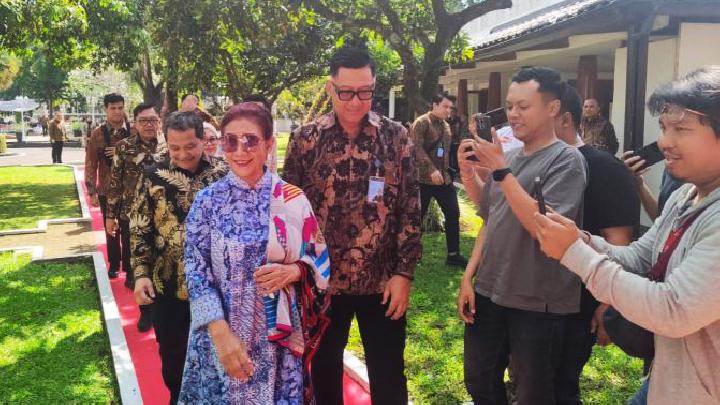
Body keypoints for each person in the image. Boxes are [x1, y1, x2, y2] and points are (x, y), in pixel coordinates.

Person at [534, 66, 720, 405]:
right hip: (669, 379)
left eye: (681, 129)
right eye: (664, 127)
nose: (664, 142)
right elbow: (639, 257)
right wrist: (582, 240)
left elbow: (672, 309)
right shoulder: (686, 195)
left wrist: (576, 254)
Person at [283, 46, 422, 404]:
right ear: (331, 88)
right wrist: (298, 273)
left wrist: (404, 273)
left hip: (382, 279)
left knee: (388, 373)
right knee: (323, 371)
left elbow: (409, 207)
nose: (356, 102)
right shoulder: (306, 140)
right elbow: (290, 213)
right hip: (323, 281)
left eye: (365, 91)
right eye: (346, 92)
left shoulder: (396, 138)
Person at [178, 103, 331, 403]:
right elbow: (196, 271)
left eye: (250, 140)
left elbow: (320, 259)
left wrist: (295, 271)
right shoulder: (207, 202)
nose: (240, 151)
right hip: (220, 339)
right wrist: (220, 333)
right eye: (230, 141)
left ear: (269, 144)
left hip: (276, 341)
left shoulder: (292, 200)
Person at [456, 67, 587, 405]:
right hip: (491, 290)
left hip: (537, 300)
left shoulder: (567, 160)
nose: (513, 114)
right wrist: (469, 174)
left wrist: (501, 170)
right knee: (479, 379)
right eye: (510, 106)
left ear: (553, 108)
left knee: (533, 393)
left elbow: (544, 228)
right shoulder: (510, 158)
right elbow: (491, 214)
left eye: (523, 106)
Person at [131, 111, 227, 404]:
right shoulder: (152, 176)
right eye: (175, 147)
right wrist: (141, 274)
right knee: (174, 360)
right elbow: (140, 227)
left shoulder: (223, 174)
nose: (183, 154)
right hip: (169, 284)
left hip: (217, 288)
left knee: (219, 361)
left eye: (190, 146)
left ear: (203, 140)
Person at [553, 85, 640, 404]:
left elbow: (620, 243)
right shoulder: (533, 163)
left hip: (579, 302)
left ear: (563, 118)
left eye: (528, 109)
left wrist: (606, 304)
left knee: (561, 385)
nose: (516, 120)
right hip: (532, 299)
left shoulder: (605, 168)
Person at [106, 103, 164, 332]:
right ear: (135, 123)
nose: (149, 125)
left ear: (159, 122)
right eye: (143, 120)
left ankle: (161, 308)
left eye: (153, 120)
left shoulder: (168, 146)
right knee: (136, 263)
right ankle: (145, 311)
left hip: (162, 215)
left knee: (161, 261)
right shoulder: (124, 147)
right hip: (131, 216)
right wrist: (110, 215)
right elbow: (115, 182)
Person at [411, 93, 467, 267]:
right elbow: (416, 148)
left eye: (450, 108)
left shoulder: (446, 126)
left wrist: (447, 170)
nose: (448, 110)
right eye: (445, 106)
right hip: (422, 179)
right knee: (416, 218)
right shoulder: (422, 122)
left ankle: (453, 254)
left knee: (453, 214)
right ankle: (410, 254)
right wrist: (431, 170)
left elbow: (444, 151)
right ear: (434, 105)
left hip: (443, 179)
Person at [86, 93, 131, 278]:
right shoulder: (97, 134)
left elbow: (147, 154)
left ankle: (129, 267)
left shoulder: (134, 131)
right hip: (106, 190)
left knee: (129, 229)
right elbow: (91, 162)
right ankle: (113, 264)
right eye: (113, 108)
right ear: (106, 109)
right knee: (111, 229)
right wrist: (91, 191)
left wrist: (122, 152)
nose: (117, 112)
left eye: (120, 108)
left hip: (130, 190)